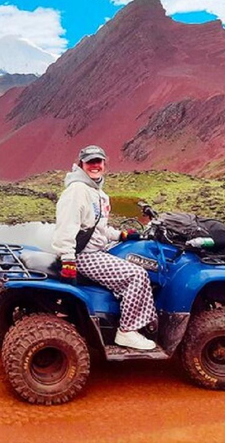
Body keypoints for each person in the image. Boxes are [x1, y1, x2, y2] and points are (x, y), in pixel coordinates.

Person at [52, 145, 157, 351]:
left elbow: (98, 228)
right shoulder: (77, 191)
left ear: (104, 164)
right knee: (137, 275)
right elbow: (66, 226)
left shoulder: (98, 192)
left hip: (97, 249)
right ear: (81, 164)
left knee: (133, 259)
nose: (95, 165)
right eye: (90, 162)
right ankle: (126, 331)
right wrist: (68, 259)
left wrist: (121, 235)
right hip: (85, 255)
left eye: (99, 161)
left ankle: (133, 316)